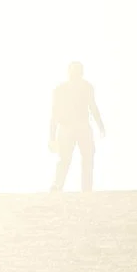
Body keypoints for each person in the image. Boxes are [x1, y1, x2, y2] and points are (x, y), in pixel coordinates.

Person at [48, 62, 105, 191]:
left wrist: (100, 125)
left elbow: (93, 106)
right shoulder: (60, 89)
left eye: (78, 71)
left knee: (87, 157)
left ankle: (86, 188)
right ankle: (58, 185)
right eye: (74, 72)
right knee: (65, 159)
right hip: (67, 127)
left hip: (82, 126)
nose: (76, 75)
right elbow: (55, 112)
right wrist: (51, 136)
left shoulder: (87, 87)